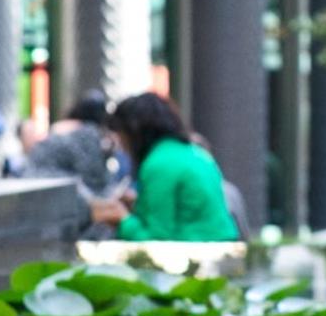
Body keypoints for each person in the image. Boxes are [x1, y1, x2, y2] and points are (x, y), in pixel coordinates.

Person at [91, 92, 238, 241]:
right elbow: (185, 211)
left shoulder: (158, 164)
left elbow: (157, 239)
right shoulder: (194, 153)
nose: (121, 146)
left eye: (121, 135)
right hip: (222, 246)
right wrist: (139, 204)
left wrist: (122, 219)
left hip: (195, 253)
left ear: (133, 131)